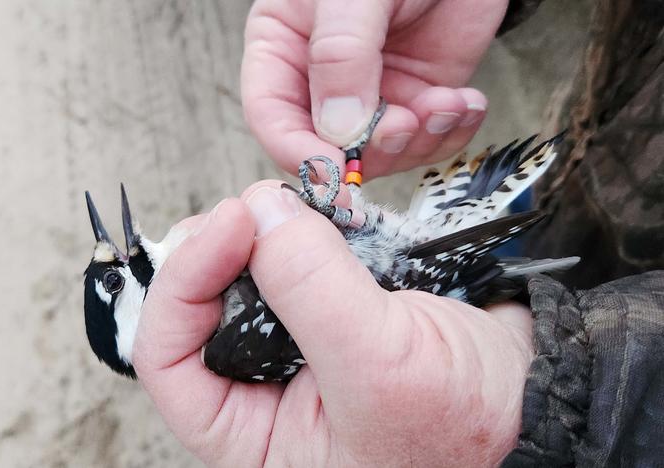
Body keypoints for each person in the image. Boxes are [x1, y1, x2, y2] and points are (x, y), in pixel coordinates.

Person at [132, 1, 664, 466]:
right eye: (117, 278)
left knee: (568, 231)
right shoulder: (227, 351)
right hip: (516, 254)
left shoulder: (211, 330)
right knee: (571, 230)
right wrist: (552, 403)